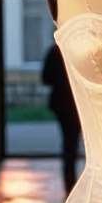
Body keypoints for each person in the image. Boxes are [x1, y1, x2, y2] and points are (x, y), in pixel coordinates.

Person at [41, 43, 81, 195]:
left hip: (62, 103)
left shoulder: (55, 52)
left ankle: (70, 185)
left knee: (69, 145)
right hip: (77, 102)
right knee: (75, 144)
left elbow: (45, 78)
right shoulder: (75, 51)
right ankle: (75, 184)